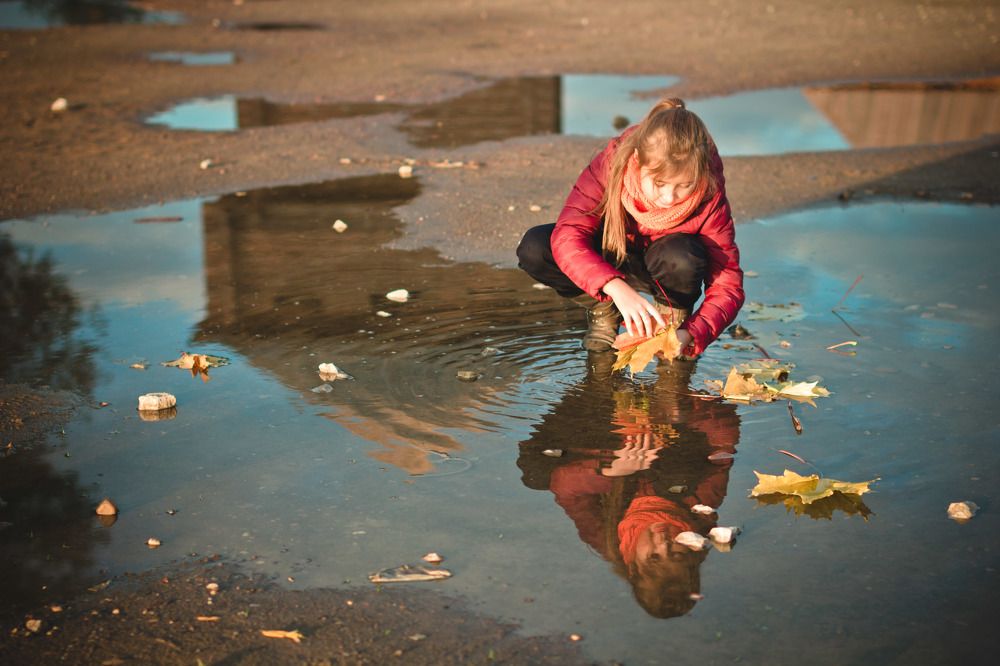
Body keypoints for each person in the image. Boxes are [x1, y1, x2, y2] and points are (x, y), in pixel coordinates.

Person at [517, 98, 744, 359]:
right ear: (637, 161)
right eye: (659, 183)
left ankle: (670, 323)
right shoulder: (612, 164)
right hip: (609, 258)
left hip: (667, 268)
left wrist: (690, 333)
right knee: (536, 248)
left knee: (683, 256)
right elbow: (569, 235)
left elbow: (727, 284)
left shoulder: (709, 193)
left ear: (701, 173)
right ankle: (605, 310)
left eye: (684, 185)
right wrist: (613, 287)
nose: (669, 197)